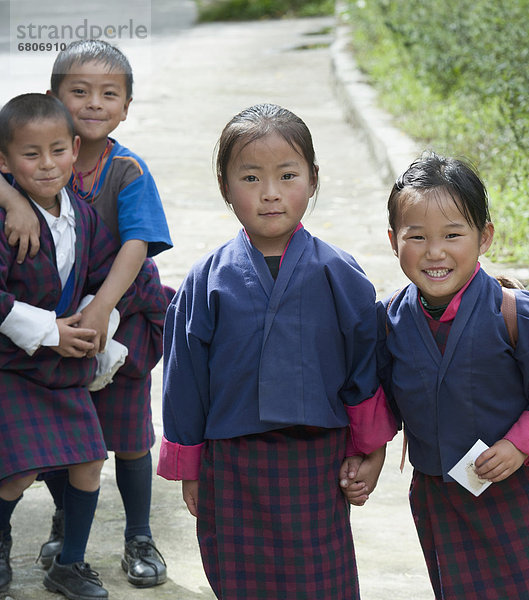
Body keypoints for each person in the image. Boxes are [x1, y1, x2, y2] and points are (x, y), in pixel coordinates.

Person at [157, 103, 396, 600]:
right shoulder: (207, 280)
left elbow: (364, 366)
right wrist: (191, 467)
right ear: (225, 186)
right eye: (250, 177)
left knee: (320, 582)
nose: (270, 193)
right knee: (239, 578)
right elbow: (186, 380)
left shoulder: (338, 272)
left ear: (312, 180)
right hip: (233, 463)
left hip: (318, 462)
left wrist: (369, 450)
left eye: (287, 175)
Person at [365, 152, 529, 598]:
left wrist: (517, 445)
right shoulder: (390, 321)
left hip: (514, 494)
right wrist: (366, 456)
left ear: (484, 237)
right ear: (393, 240)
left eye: (452, 234)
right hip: (439, 498)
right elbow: (381, 401)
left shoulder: (514, 315)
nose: (435, 252)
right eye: (417, 236)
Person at [0, 41, 173, 587]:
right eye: (79, 91)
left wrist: (102, 316)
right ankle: (30, 539)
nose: (94, 103)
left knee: (109, 445)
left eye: (109, 94)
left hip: (95, 331)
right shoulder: (20, 190)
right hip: (33, 346)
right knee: (38, 457)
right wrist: (12, 201)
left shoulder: (115, 180)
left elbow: (129, 251)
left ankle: (106, 548)